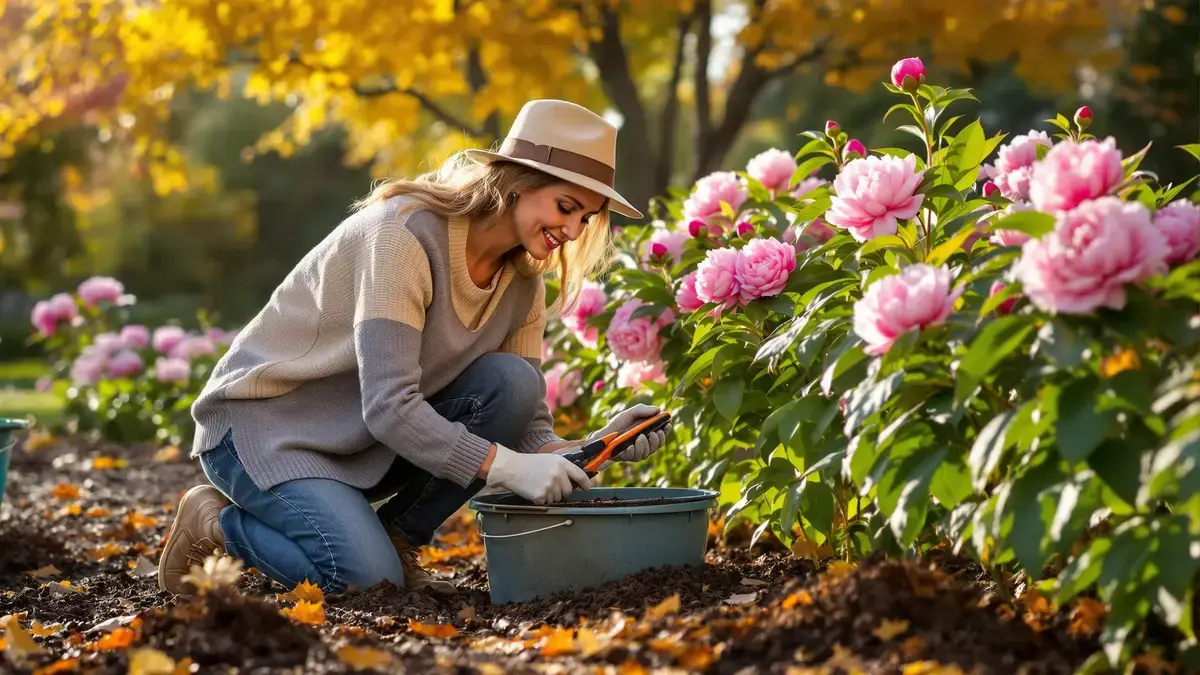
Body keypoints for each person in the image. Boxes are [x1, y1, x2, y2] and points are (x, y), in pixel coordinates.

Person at [156, 99, 673, 597]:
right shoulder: (403, 236)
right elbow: (390, 406)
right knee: (362, 581)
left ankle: (397, 542)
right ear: (519, 182)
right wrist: (510, 469)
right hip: (266, 430)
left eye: (586, 218)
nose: (574, 230)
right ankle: (215, 524)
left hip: (359, 438)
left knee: (514, 383)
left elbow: (528, 428)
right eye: (566, 207)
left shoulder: (523, 283)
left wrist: (598, 446)